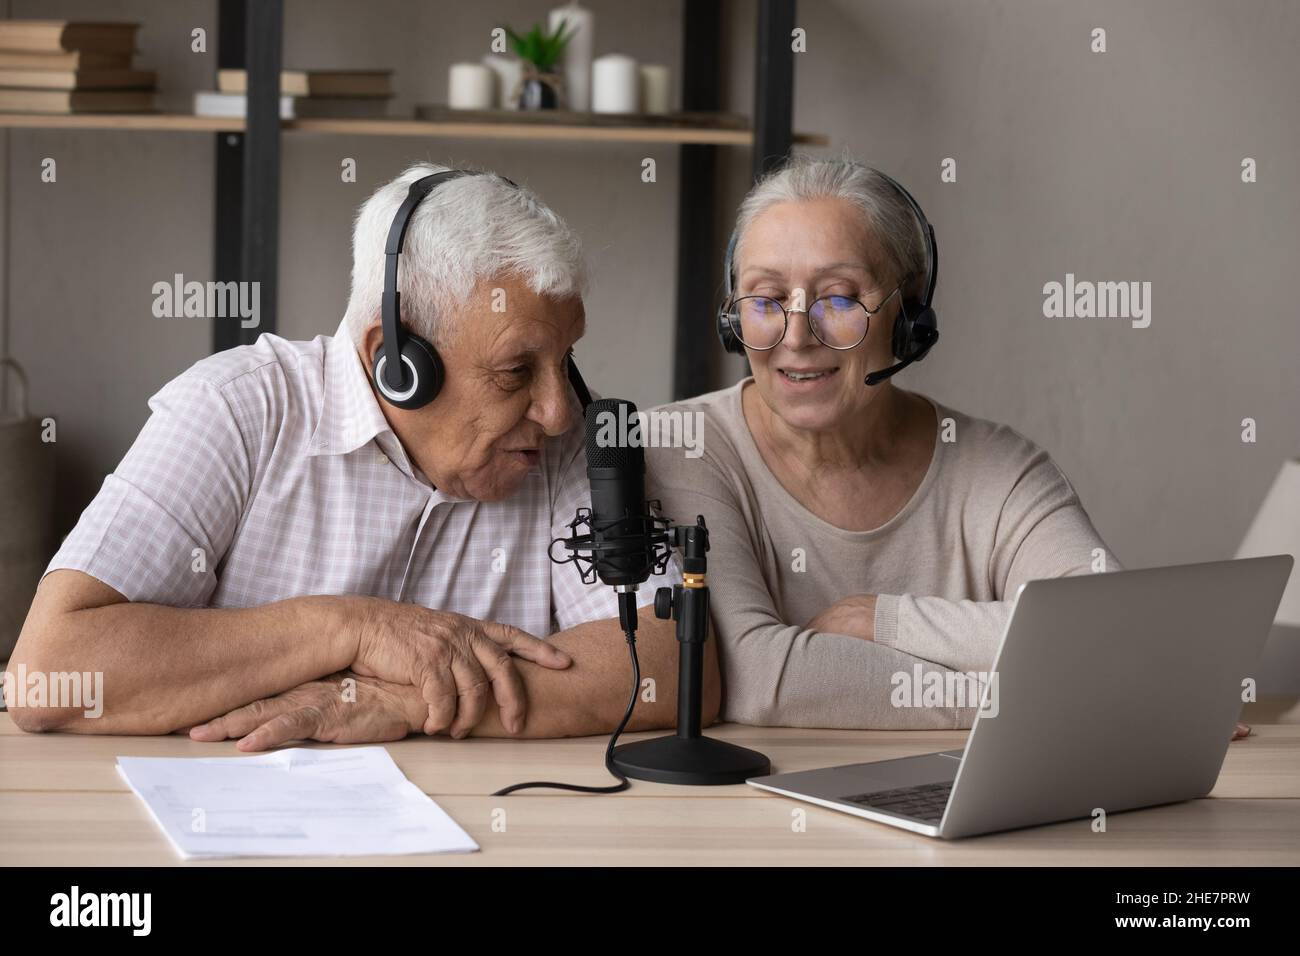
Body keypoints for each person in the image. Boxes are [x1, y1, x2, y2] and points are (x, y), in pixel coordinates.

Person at [10, 163, 716, 748]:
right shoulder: (238, 409)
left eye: (566, 358)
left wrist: (407, 700)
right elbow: (49, 674)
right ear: (398, 360)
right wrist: (351, 627)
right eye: (515, 371)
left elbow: (672, 663)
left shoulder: (566, 440)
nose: (559, 409)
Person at [649, 156, 1246, 738]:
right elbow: (756, 677)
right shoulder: (682, 447)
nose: (798, 336)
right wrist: (1059, 698)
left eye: (839, 299)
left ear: (908, 315)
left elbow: (1112, 629)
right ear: (734, 321)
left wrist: (887, 621)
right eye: (765, 299)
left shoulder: (998, 467)